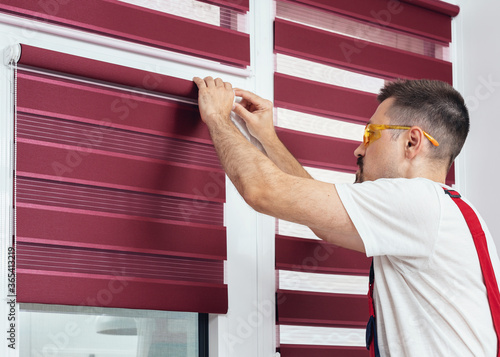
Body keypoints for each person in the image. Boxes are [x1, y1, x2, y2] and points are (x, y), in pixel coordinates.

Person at [193, 76, 500, 356]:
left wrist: (219, 118)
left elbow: (262, 191)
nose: (358, 149)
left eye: (370, 133)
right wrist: (267, 139)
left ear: (412, 142)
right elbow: (319, 218)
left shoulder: (417, 202)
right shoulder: (445, 211)